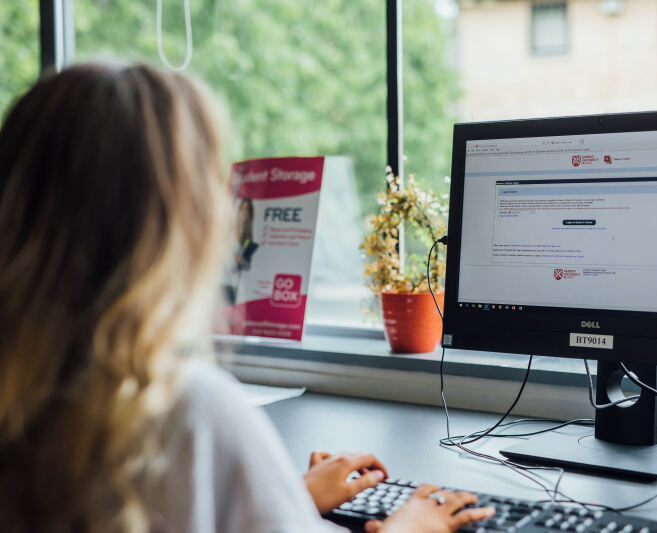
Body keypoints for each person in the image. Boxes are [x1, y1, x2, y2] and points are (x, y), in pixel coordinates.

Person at [0, 63, 495, 532]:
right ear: (176, 229)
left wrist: (281, 498)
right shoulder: (190, 413)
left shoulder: (28, 403)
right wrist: (409, 525)